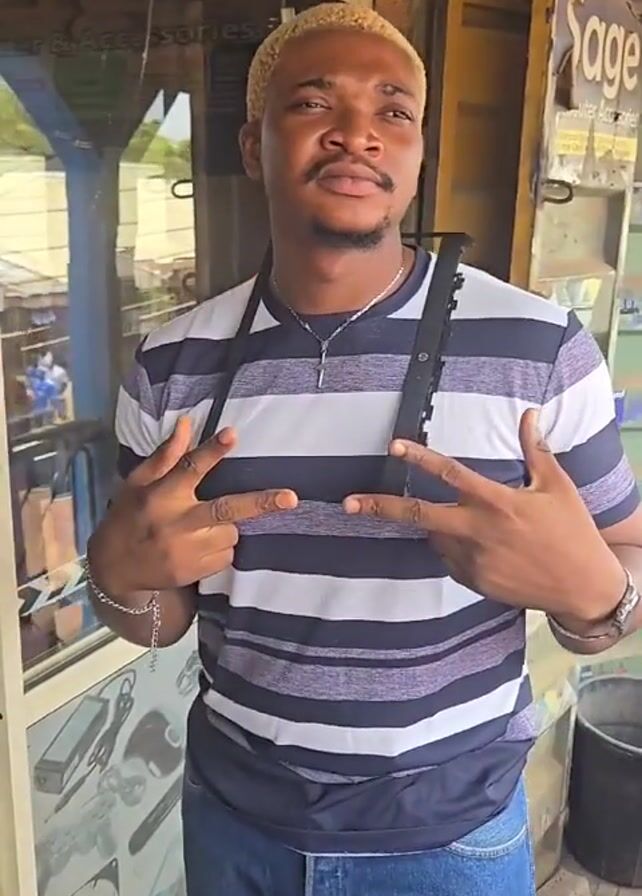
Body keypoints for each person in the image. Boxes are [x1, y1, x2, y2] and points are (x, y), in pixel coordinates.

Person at [87, 5, 642, 895]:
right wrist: (115, 578)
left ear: (417, 155)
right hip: (235, 828)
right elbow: (162, 620)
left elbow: (625, 556)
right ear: (253, 145)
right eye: (314, 103)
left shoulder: (539, 350)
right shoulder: (172, 365)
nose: (357, 133)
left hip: (452, 842)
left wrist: (595, 598)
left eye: (393, 112)